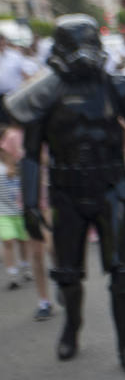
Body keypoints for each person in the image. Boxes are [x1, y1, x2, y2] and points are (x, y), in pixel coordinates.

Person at [2, 14, 125, 373]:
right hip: (66, 192)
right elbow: (30, 154)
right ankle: (72, 327)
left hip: (112, 188)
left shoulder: (119, 88)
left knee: (121, 273)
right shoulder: (45, 94)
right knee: (68, 273)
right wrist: (28, 203)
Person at [0, 124, 52, 319]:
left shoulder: (47, 127)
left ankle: (64, 281)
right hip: (28, 200)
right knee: (37, 253)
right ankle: (44, 301)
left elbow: (52, 158)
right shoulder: (13, 136)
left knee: (52, 248)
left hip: (51, 196)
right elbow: (9, 164)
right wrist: (14, 165)